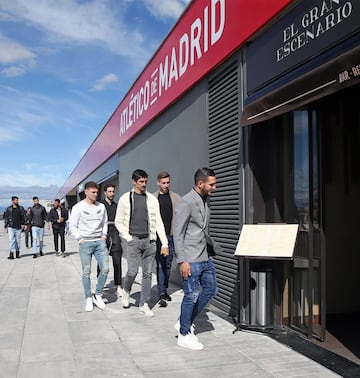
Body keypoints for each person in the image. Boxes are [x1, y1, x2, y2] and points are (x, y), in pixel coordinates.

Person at [174, 167, 222, 350]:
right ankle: (184, 334)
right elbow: (178, 233)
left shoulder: (205, 199)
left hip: (204, 256)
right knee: (191, 295)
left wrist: (209, 252)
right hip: (190, 258)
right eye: (212, 184)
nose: (214, 187)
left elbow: (202, 230)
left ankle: (183, 321)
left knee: (211, 289)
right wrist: (182, 261)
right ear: (200, 183)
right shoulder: (186, 202)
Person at [115, 169, 168, 317]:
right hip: (133, 241)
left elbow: (158, 222)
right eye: (141, 182)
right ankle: (126, 290)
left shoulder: (152, 199)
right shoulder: (125, 199)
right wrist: (128, 237)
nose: (144, 184)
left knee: (147, 274)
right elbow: (118, 222)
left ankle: (144, 303)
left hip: (150, 241)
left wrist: (164, 243)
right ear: (134, 181)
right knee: (132, 272)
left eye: (146, 182)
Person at [69, 181, 109, 312]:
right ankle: (88, 298)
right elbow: (72, 225)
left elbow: (105, 222)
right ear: (86, 192)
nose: (95, 194)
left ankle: (98, 294)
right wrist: (80, 239)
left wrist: (103, 236)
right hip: (85, 243)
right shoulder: (78, 207)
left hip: (99, 242)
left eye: (97, 192)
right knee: (86, 272)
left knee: (105, 269)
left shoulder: (101, 206)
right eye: (93, 192)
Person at [153, 171, 181, 307]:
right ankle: (161, 292)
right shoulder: (152, 198)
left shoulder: (176, 198)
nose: (166, 185)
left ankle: (163, 289)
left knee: (168, 264)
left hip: (171, 237)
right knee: (160, 264)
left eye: (168, 182)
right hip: (158, 238)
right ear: (158, 183)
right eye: (163, 183)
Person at [100, 184, 123, 297]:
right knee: (102, 261)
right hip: (102, 235)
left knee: (117, 260)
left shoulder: (116, 205)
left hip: (115, 234)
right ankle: (100, 284)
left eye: (113, 191)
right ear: (105, 192)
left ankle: (118, 286)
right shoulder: (100, 205)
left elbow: (119, 220)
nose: (112, 194)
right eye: (109, 191)